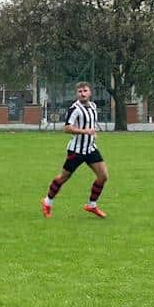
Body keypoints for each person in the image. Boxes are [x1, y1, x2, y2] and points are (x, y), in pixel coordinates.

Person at [41, 82, 109, 218]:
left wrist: (93, 133)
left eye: (85, 91)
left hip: (90, 149)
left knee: (103, 176)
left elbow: (90, 125)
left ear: (90, 92)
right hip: (76, 151)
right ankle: (47, 201)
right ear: (76, 94)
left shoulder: (93, 106)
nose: (82, 93)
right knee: (63, 177)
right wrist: (85, 131)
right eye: (80, 91)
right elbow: (67, 128)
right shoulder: (75, 109)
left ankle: (92, 205)